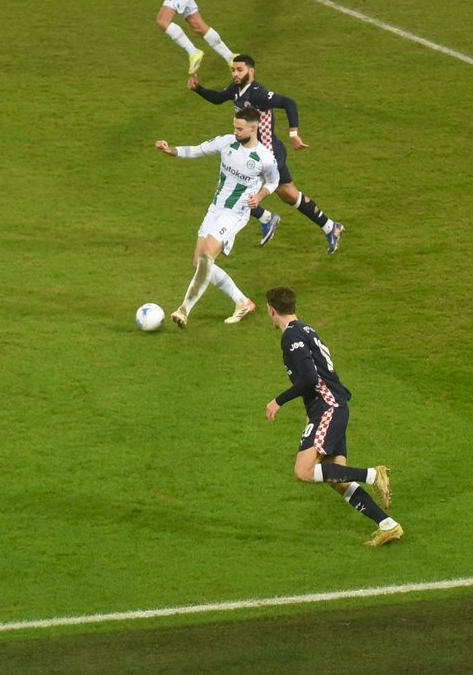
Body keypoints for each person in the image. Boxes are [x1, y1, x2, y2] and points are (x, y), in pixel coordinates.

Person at [263, 286, 402, 547]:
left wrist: (277, 401)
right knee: (337, 479)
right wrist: (311, 414)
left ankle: (373, 475)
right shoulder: (306, 329)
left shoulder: (291, 336)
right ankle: (388, 525)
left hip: (328, 407)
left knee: (303, 471)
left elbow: (309, 379)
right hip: (331, 407)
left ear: (271, 310)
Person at [189, 54, 344, 253]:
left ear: (251, 71)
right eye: (233, 70)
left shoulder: (258, 94)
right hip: (258, 152)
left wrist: (294, 134)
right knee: (290, 195)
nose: (235, 74)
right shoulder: (237, 89)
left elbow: (289, 103)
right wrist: (198, 89)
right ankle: (330, 226)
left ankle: (259, 222)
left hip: (266, 155)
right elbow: (219, 98)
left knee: (231, 192)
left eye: (240, 70)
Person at [154, 108, 280, 327]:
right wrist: (169, 150)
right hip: (215, 208)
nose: (235, 131)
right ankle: (243, 302)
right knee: (199, 262)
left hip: (235, 213)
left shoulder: (264, 158)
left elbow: (273, 181)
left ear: (253, 128)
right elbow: (197, 150)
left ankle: (184, 309)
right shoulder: (226, 142)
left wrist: (259, 197)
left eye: (240, 129)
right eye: (234, 127)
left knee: (206, 258)